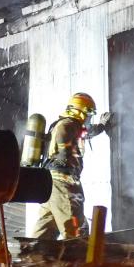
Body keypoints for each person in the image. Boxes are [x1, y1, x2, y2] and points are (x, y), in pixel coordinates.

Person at [31, 92, 112, 240]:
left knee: (44, 234)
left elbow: (85, 132)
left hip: (51, 184)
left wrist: (100, 126)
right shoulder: (67, 125)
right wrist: (65, 153)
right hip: (64, 183)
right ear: (79, 112)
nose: (89, 118)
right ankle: (80, 262)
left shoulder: (70, 125)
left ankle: (29, 258)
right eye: (88, 114)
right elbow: (68, 137)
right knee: (77, 232)